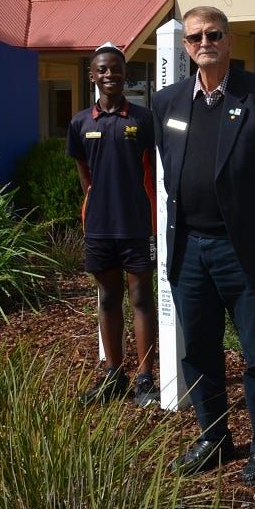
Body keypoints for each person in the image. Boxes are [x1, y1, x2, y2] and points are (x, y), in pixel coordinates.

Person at [151, 6, 255, 486]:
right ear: (185, 47)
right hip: (189, 249)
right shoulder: (167, 102)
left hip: (240, 250)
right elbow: (168, 166)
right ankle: (214, 436)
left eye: (214, 34)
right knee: (197, 349)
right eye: (196, 36)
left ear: (229, 40)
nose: (205, 42)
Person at [67, 42, 159, 408]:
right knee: (107, 299)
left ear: (126, 74)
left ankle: (145, 377)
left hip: (137, 224)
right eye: (102, 70)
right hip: (100, 227)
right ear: (92, 76)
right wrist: (96, 206)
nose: (109, 75)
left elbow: (153, 171)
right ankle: (113, 375)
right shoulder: (80, 122)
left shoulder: (142, 119)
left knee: (140, 298)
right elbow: (84, 174)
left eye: (116, 69)